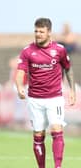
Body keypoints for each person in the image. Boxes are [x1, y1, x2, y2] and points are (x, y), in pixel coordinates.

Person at [15, 18, 76, 168]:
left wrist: (72, 90)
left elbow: (68, 68)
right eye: (36, 31)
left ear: (49, 32)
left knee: (56, 129)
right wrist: (19, 87)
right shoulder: (27, 51)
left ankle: (57, 166)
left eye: (41, 31)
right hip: (35, 99)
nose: (38, 34)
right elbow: (20, 72)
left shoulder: (60, 50)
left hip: (54, 98)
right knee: (38, 135)